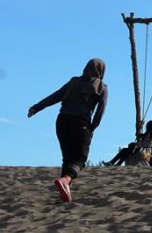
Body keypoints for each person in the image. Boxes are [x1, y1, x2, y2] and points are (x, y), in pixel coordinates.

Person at [28, 58, 108, 202]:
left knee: (68, 158)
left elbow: (56, 96)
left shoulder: (74, 82)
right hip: (80, 122)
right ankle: (65, 181)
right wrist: (91, 129)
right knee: (80, 159)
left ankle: (65, 192)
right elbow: (99, 113)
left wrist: (37, 107)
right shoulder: (101, 87)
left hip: (62, 120)